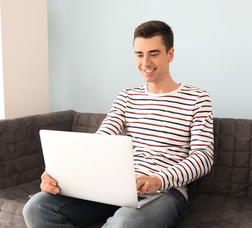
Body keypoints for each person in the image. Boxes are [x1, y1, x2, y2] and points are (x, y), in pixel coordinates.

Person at [23, 20, 214, 228]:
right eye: (139, 54)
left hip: (165, 192)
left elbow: (203, 157)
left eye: (154, 53)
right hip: (113, 189)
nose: (145, 62)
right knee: (36, 207)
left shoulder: (197, 99)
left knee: (123, 223)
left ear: (170, 54)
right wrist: (58, 174)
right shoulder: (127, 97)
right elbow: (100, 140)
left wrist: (158, 179)